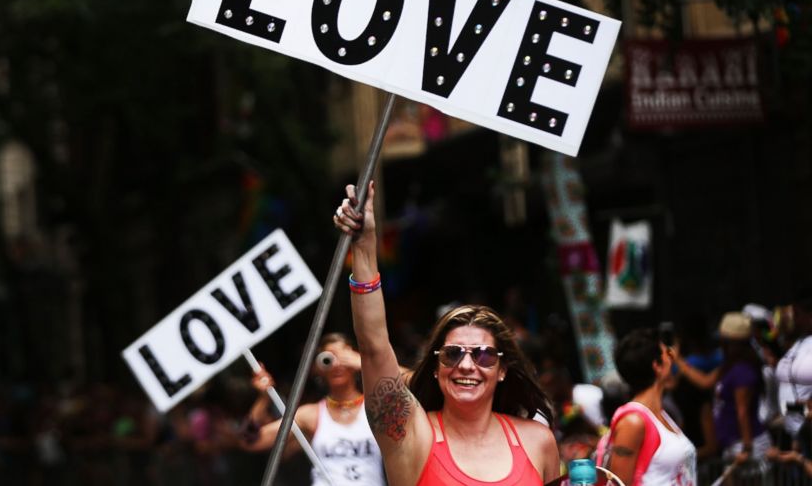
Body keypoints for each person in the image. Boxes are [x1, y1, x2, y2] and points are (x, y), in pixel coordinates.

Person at [333, 182, 559, 486]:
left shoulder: (538, 441)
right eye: (453, 354)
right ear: (437, 368)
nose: (467, 365)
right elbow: (374, 346)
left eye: (484, 355)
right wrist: (363, 247)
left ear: (503, 369)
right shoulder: (411, 435)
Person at [240, 333, 386, 486]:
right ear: (318, 367)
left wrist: (368, 365)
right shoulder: (311, 415)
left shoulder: (377, 410)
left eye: (343, 357)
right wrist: (263, 399)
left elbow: (412, 385)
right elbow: (249, 441)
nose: (336, 364)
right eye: (328, 359)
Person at [600, 328, 696, 486]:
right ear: (657, 366)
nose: (673, 360)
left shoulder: (663, 415)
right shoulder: (633, 422)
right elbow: (618, 483)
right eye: (668, 354)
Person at [673, 311, 770, 463]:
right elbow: (705, 382)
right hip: (732, 444)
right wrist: (678, 361)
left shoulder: (743, 370)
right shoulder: (729, 366)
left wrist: (747, 448)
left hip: (745, 444)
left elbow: (742, 411)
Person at [767, 291, 812, 468]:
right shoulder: (798, 344)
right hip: (797, 437)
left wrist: (799, 411)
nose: (794, 319)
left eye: (797, 314)